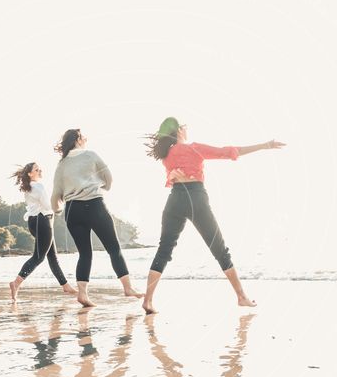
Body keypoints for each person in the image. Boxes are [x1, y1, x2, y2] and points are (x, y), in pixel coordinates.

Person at [141, 117, 286, 314]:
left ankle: (148, 300)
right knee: (219, 249)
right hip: (196, 198)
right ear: (179, 131)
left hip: (174, 200)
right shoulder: (193, 148)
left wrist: (175, 175)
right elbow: (229, 152)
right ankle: (241, 297)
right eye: (184, 127)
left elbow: (173, 176)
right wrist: (265, 145)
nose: (186, 129)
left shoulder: (166, 155)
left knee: (164, 249)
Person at [50, 128, 143, 307]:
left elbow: (55, 194)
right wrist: (103, 187)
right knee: (114, 249)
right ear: (77, 139)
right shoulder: (90, 155)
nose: (86, 139)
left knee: (85, 253)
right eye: (83, 136)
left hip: (72, 211)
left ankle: (83, 294)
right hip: (94, 205)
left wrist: (58, 211)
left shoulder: (61, 165)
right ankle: (128, 288)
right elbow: (109, 178)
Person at [9, 162, 77, 301]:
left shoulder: (28, 188)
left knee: (52, 256)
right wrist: (61, 200)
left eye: (40, 169)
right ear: (30, 173)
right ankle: (16, 283)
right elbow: (48, 205)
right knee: (39, 257)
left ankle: (65, 285)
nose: (40, 171)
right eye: (36, 169)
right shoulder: (38, 186)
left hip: (35, 222)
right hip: (43, 222)